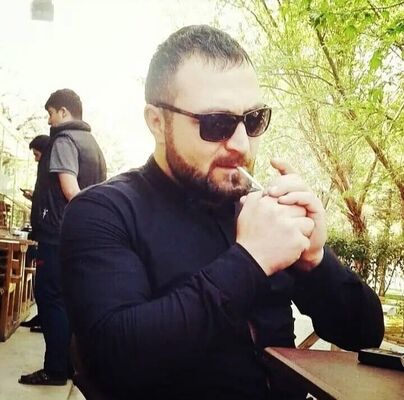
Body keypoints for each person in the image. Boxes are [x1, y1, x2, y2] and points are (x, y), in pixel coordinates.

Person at [60, 26, 384, 400]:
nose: (242, 144)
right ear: (157, 122)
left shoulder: (261, 210)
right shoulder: (104, 212)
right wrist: (250, 261)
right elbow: (114, 361)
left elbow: (364, 334)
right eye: (217, 124)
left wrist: (316, 261)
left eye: (254, 120)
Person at [19, 89, 107, 386]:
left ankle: (55, 369)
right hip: (78, 238)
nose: (49, 121)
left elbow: (71, 190)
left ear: (64, 112)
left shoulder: (64, 140)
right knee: (67, 302)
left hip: (57, 236)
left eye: (51, 114)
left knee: (50, 298)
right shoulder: (92, 144)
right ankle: (67, 365)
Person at [20, 134, 51, 333]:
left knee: (44, 284)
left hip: (47, 236)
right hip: (43, 234)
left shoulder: (49, 170)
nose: (35, 159)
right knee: (42, 282)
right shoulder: (46, 169)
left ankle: (44, 319)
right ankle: (41, 317)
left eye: (36, 154)